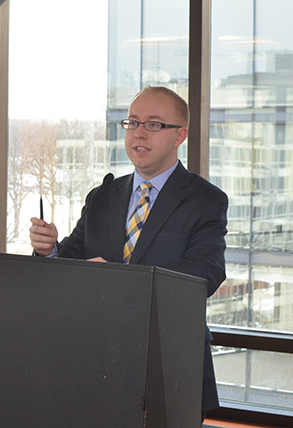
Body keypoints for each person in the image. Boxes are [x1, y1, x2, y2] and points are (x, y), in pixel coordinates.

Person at [29, 86, 228, 416]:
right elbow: (72, 261)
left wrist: (122, 281)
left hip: (169, 360)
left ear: (180, 136)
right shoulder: (103, 195)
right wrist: (49, 250)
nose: (139, 133)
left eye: (153, 124)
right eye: (132, 122)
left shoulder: (205, 199)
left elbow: (206, 273)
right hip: (96, 358)